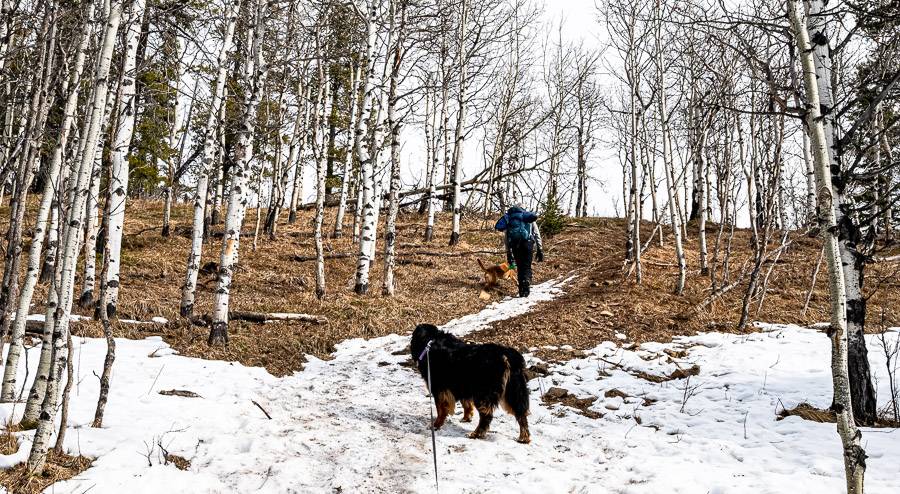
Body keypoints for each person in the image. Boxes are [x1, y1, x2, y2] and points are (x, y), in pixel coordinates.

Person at [495, 205, 544, 297]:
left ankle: (522, 289)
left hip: (515, 245)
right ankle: (526, 282)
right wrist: (539, 249)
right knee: (526, 266)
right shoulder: (528, 217)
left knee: (520, 266)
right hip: (527, 244)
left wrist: (508, 252)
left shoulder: (509, 219)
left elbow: (506, 238)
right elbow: (537, 234)